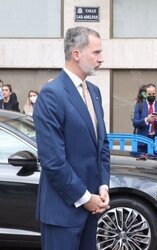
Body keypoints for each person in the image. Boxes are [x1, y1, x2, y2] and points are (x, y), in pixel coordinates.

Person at [33, 26, 110, 250]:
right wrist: (86, 198)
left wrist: (103, 186)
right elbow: (52, 161)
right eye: (96, 52)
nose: (101, 58)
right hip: (62, 213)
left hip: (93, 209)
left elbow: (102, 144)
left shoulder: (94, 91)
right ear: (76, 54)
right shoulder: (51, 94)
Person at [133, 83, 157, 153]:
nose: (151, 96)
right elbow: (135, 123)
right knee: (142, 162)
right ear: (145, 94)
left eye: (153, 94)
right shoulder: (139, 106)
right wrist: (146, 119)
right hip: (143, 142)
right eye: (149, 94)